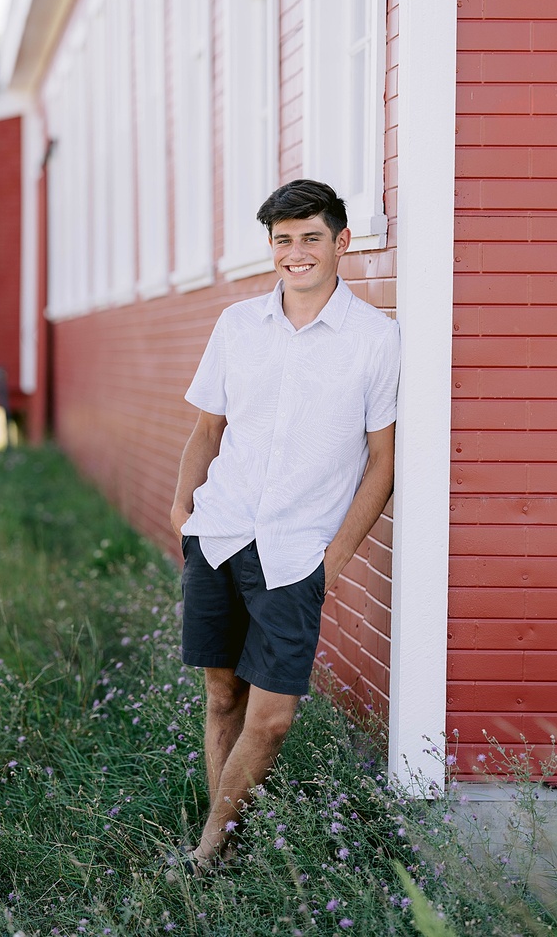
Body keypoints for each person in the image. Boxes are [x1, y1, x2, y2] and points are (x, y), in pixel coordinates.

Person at [168, 179, 400, 878]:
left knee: (271, 718)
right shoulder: (238, 326)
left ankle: (207, 851)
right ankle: (224, 844)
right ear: (271, 246)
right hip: (221, 535)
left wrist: (336, 557)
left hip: (297, 558)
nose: (295, 253)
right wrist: (184, 514)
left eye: (310, 238)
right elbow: (207, 428)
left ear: (342, 242)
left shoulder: (375, 339)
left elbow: (384, 460)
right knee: (222, 695)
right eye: (283, 240)